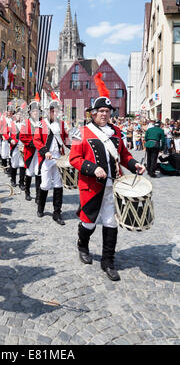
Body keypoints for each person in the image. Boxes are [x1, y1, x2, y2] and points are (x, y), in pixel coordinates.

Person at [69, 73, 145, 281]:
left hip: (114, 185)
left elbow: (124, 155)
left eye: (107, 111)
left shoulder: (117, 132)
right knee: (89, 223)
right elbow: (74, 159)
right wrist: (92, 169)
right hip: (92, 186)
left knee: (111, 222)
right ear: (93, 113)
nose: (104, 114)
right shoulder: (80, 132)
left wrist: (134, 164)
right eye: (100, 111)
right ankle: (82, 245)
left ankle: (108, 261)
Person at [33, 95, 70, 225]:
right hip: (46, 158)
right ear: (48, 111)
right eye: (52, 110)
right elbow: (36, 140)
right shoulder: (41, 124)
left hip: (59, 158)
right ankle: (40, 207)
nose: (55, 113)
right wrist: (45, 151)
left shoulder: (62, 124)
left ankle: (57, 213)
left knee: (58, 185)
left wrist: (74, 147)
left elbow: (66, 139)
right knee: (45, 184)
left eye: (56, 110)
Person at [20, 97, 41, 202]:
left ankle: (38, 195)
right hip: (30, 151)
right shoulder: (26, 123)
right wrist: (32, 142)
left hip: (40, 152)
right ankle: (27, 192)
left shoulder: (42, 123)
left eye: (37, 111)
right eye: (33, 111)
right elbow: (22, 137)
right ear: (30, 112)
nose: (35, 113)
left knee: (38, 172)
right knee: (29, 172)